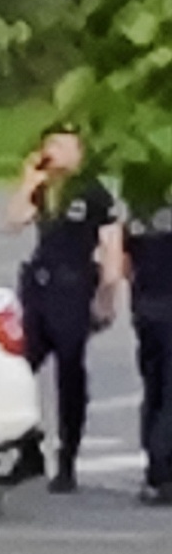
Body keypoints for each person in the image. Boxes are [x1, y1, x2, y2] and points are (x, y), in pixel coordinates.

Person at [7, 124, 123, 493]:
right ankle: (29, 449)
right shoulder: (44, 189)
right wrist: (28, 182)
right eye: (49, 145)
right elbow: (13, 221)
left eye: (61, 146)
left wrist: (107, 296)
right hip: (39, 285)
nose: (53, 152)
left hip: (73, 288)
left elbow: (111, 245)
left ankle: (67, 459)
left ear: (79, 153)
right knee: (19, 371)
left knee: (69, 372)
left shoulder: (93, 193)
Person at [123, 204, 172, 505]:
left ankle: (155, 468)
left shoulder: (139, 205)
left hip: (146, 306)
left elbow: (125, 260)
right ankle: (163, 470)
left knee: (154, 390)